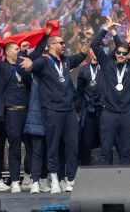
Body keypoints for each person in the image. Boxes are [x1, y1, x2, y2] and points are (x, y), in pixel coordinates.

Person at [20, 31, 91, 194]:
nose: (64, 45)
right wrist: (28, 63)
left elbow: (82, 55)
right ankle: (54, 180)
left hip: (69, 110)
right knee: (52, 146)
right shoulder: (43, 61)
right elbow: (31, 67)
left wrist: (88, 39)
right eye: (61, 43)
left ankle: (71, 179)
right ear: (52, 45)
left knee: (73, 145)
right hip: (52, 110)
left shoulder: (66, 61)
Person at [0, 25, 52, 193]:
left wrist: (45, 35)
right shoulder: (0, 66)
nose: (19, 48)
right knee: (14, 147)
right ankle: (14, 180)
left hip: (27, 111)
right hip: (11, 111)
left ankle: (28, 177)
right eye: (15, 48)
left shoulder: (24, 63)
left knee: (30, 146)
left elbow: (37, 53)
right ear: (7, 52)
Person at [91, 16, 130, 165]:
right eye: (119, 52)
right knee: (105, 152)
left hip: (126, 114)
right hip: (109, 113)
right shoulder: (107, 64)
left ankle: (124, 187)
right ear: (115, 53)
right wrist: (106, 29)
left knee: (126, 153)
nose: (121, 55)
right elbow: (95, 45)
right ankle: (104, 187)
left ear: (127, 56)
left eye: (124, 53)